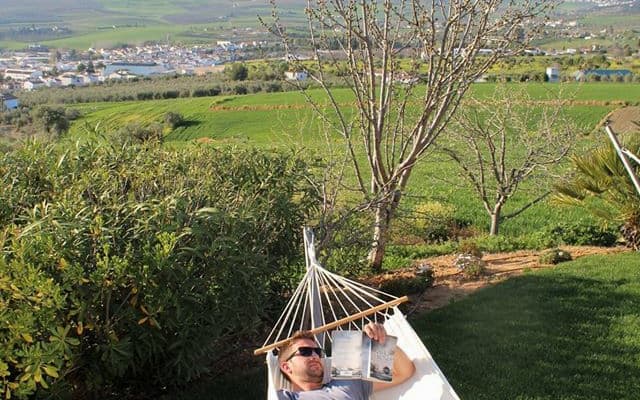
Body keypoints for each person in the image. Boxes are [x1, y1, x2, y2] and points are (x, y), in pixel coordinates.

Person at [277, 322, 416, 400]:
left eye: (318, 352)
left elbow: (404, 372)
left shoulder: (346, 381)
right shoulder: (285, 397)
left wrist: (382, 341)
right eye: (305, 352)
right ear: (286, 367)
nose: (314, 355)